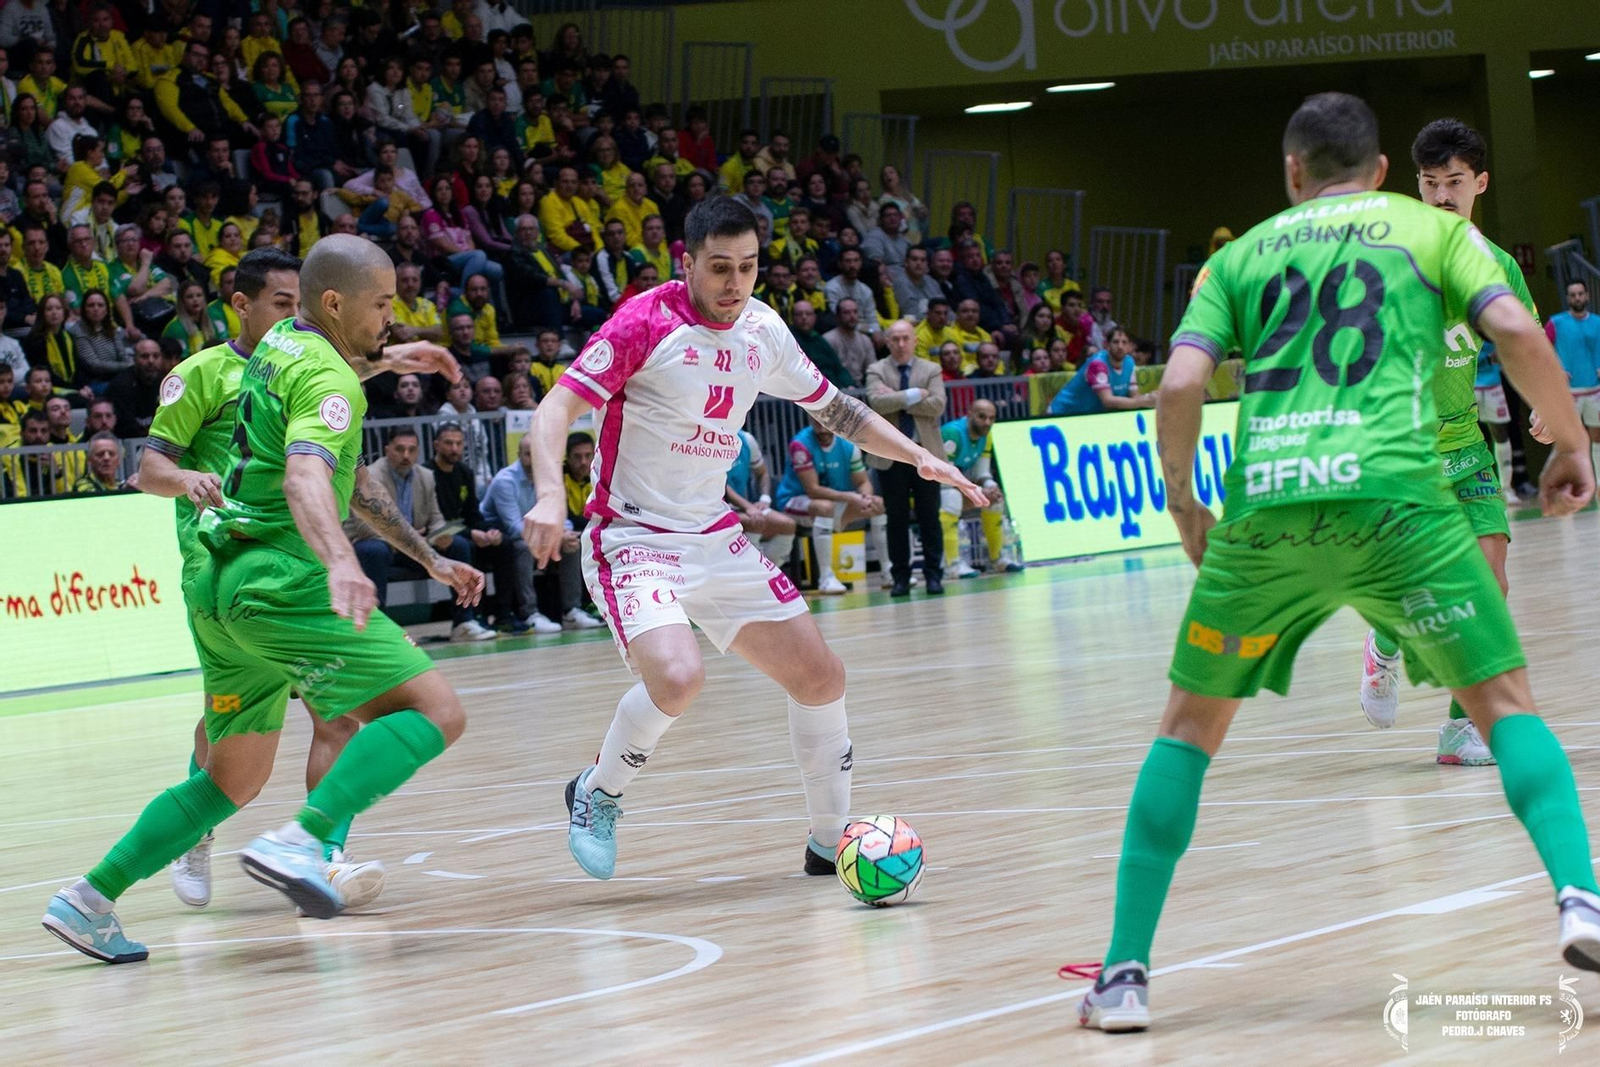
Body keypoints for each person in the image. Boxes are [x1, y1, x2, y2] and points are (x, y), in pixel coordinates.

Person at [1078, 91, 1600, 1034]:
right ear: (1385, 173)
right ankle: (1580, 896)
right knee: (1506, 703)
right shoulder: (1426, 230)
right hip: (1400, 502)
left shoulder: (1238, 256)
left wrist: (1187, 501)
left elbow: (1183, 382)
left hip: (1266, 513)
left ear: (1291, 173)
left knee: (1186, 730)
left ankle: (1122, 975)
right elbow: (1520, 334)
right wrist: (1570, 442)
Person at [42, 236, 485, 964]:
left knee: (231, 777)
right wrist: (342, 561)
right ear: (337, 303)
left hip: (221, 584)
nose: (392, 314)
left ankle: (88, 898)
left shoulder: (276, 343)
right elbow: (306, 477)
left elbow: (323, 371)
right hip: (285, 577)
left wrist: (396, 358)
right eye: (382, 304)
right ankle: (305, 841)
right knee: (435, 710)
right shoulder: (327, 384)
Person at [519, 198, 983, 882]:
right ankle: (598, 791)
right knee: (679, 678)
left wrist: (918, 456)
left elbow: (839, 408)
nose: (734, 284)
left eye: (748, 267)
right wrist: (552, 495)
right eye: (719, 269)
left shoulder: (763, 329)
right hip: (633, 536)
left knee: (822, 674)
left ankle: (832, 843)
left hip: (713, 536)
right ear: (688, 263)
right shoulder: (646, 321)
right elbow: (557, 405)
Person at [1358, 118, 1547, 765]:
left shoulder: (1495, 267)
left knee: (1489, 580)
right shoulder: (1393, 260)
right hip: (1402, 452)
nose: (1441, 196)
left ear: (1481, 184)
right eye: (1431, 183)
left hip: (1465, 445)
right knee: (1412, 590)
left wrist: (1549, 410)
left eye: (1455, 183)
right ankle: (1386, 643)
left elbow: (1524, 345)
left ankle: (1462, 728)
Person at [346, 427, 497, 642]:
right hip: (380, 546)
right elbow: (364, 527)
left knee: (459, 545)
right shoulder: (371, 474)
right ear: (387, 450)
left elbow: (435, 518)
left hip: (415, 547)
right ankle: (374, 626)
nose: (406, 455)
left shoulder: (426, 476)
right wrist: (406, 535)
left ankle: (464, 622)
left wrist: (439, 534)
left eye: (411, 450)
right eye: (400, 449)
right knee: (373, 550)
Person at [865, 319, 950, 596]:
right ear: (887, 342)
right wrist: (916, 394)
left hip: (926, 454)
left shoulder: (931, 369)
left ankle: (934, 574)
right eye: (895, 339)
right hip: (892, 456)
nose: (901, 344)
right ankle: (900, 576)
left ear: (915, 340)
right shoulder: (876, 369)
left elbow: (937, 405)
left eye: (905, 338)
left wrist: (898, 399)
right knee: (896, 518)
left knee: (930, 517)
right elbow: (877, 403)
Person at [772, 415, 888, 595]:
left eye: (825, 423)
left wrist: (865, 496)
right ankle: (826, 577)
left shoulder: (849, 445)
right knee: (824, 508)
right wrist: (852, 498)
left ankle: (888, 572)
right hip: (794, 499)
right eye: (816, 422)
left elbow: (863, 481)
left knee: (877, 504)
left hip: (836, 500)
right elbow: (812, 490)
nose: (822, 428)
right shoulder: (800, 444)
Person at [479, 432, 565, 635]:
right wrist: (552, 537)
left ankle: (573, 609)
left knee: (574, 545)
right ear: (519, 455)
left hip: (535, 535)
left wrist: (565, 533)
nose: (534, 459)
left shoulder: (549, 477)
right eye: (528, 454)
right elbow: (515, 527)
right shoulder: (505, 481)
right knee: (523, 547)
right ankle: (530, 613)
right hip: (497, 539)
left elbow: (560, 513)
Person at [938, 399, 1020, 577]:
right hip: (932, 488)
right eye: (982, 417)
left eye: (992, 418)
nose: (987, 422)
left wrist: (990, 487)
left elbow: (982, 473)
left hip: (960, 485)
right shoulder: (953, 433)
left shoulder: (987, 435)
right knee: (952, 498)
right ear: (969, 414)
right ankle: (951, 564)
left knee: (996, 498)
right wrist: (977, 491)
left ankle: (997, 559)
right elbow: (944, 479)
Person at [1546, 279, 1600, 478]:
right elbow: (1540, 349)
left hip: (1595, 390)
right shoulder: (1556, 323)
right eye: (1573, 294)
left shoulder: (1597, 322)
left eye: (1580, 293)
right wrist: (1556, 368)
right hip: (1568, 392)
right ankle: (1559, 484)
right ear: (1567, 298)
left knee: (1598, 438)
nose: (1577, 297)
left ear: (1587, 295)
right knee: (1566, 442)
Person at [726, 428, 795, 568]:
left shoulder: (746, 439)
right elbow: (721, 485)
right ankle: (752, 575)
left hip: (741, 506)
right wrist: (748, 507)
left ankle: (768, 575)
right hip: (716, 507)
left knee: (787, 524)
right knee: (754, 521)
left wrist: (764, 499)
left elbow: (762, 473)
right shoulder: (708, 440)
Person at [1048, 327, 1151, 415]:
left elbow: (1134, 395)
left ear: (1130, 346)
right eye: (1116, 342)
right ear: (1107, 345)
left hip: (1086, 416)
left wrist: (1148, 398)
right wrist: (1143, 402)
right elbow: (1108, 401)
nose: (1120, 346)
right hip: (1062, 413)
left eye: (1124, 342)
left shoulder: (1129, 362)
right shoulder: (1098, 364)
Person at [823, 297, 876, 387]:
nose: (852, 316)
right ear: (838, 316)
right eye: (847, 312)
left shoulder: (865, 340)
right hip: (836, 388)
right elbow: (827, 371)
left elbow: (873, 370)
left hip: (861, 389)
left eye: (855, 312)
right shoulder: (828, 340)